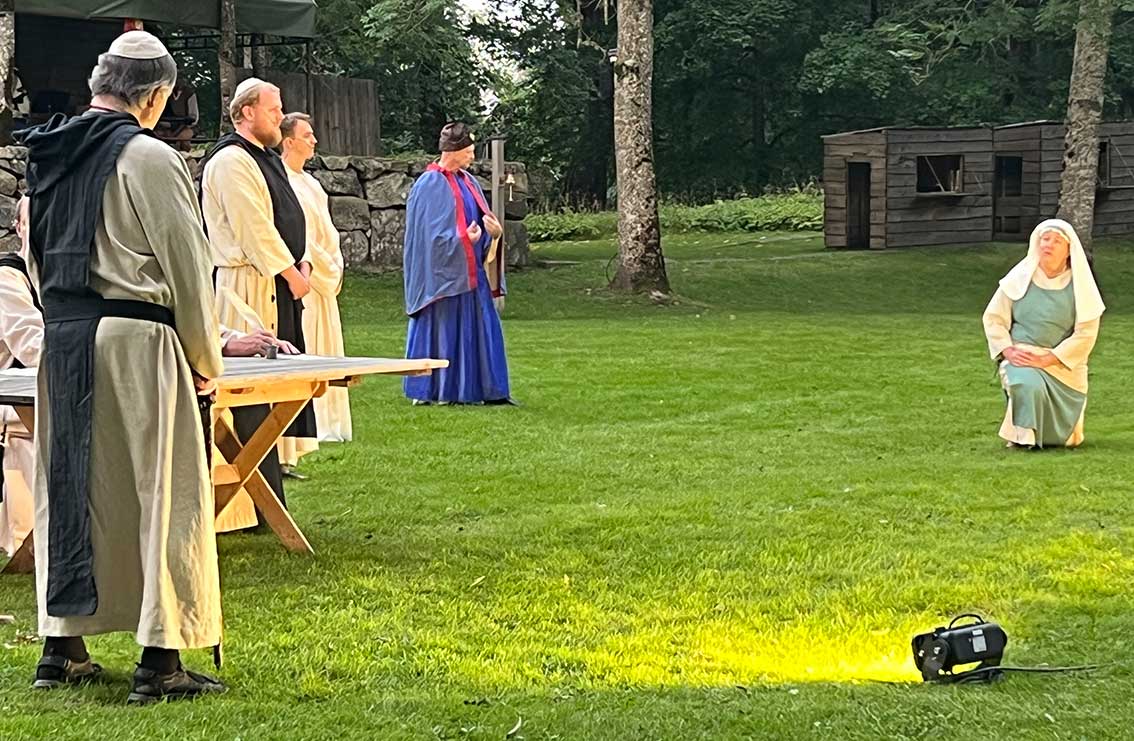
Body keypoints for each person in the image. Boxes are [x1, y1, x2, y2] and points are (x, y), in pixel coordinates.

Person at [19, 31, 225, 702]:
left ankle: (62, 646)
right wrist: (205, 357)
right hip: (137, 341)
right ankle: (160, 660)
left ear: (97, 83)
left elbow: (35, 255)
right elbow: (186, 263)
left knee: (72, 489)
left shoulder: (48, 154)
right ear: (157, 95)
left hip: (66, 338)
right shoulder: (150, 157)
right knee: (161, 490)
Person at [201, 77, 317, 497]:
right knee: (250, 393)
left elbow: (288, 216)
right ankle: (248, 500)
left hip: (275, 279)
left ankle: (267, 495)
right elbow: (253, 227)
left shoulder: (265, 158)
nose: (280, 117)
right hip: (247, 283)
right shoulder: (231, 160)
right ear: (247, 112)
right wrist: (291, 274)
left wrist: (302, 259)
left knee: (273, 392)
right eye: (273, 109)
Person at [403, 122, 512, 404]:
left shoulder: (468, 181)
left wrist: (493, 234)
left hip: (472, 275)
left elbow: (481, 220)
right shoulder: (428, 185)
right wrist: (463, 239)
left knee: (480, 329)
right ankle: (436, 390)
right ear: (453, 150)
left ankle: (480, 389)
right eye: (469, 151)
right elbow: (426, 238)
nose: (472, 157)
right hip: (441, 281)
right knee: (444, 330)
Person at [982, 218, 1105, 448]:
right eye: (1045, 239)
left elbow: (1086, 333)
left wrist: (1050, 358)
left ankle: (1050, 437)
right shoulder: (1018, 279)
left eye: (1057, 241)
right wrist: (1008, 350)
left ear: (1068, 250)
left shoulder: (1081, 286)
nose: (1048, 245)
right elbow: (994, 318)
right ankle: (1023, 439)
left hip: (1063, 363)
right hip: (1024, 354)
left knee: (1067, 441)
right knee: (1027, 384)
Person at [279, 112, 352, 442]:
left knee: (328, 344)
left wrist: (335, 263)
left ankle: (330, 419)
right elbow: (300, 235)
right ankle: (310, 420)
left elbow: (327, 230)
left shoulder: (311, 183)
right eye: (307, 135)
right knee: (309, 339)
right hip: (308, 274)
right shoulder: (283, 182)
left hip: (326, 273)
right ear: (289, 142)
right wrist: (317, 265)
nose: (314, 140)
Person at [0, 197, 40, 556]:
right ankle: (30, 534)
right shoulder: (7, 278)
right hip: (11, 398)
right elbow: (31, 343)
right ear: (19, 227)